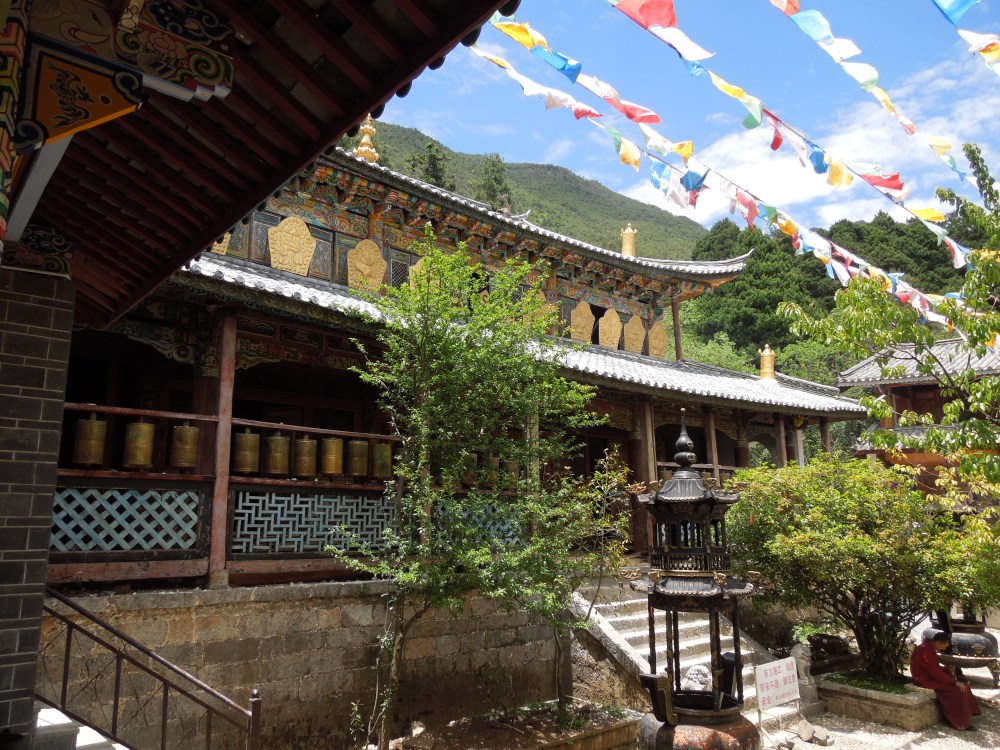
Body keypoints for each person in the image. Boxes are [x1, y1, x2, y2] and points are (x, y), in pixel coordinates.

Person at [909, 631, 981, 731]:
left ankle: (969, 713)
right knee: (957, 689)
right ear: (939, 642)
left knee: (963, 686)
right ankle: (962, 722)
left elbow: (933, 668)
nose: (944, 648)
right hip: (923, 680)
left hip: (929, 677)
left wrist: (946, 669)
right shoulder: (925, 650)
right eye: (944, 646)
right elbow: (934, 671)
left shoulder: (928, 648)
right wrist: (953, 682)